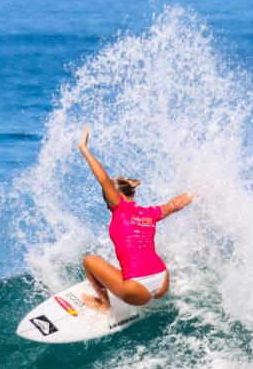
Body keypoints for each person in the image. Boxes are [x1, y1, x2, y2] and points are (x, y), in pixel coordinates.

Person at [76, 125, 195, 311]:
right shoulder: (149, 213)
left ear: (116, 195)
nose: (107, 204)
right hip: (162, 280)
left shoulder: (119, 208)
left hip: (136, 289)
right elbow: (176, 204)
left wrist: (84, 149)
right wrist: (200, 190)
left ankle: (104, 305)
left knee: (89, 260)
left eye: (106, 198)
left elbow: (104, 180)